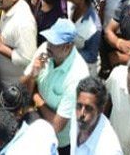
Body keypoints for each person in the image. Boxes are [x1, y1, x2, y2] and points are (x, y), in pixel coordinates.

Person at [23, 16, 91, 149]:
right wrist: (32, 75)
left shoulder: (77, 76)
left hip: (59, 143)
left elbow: (57, 125)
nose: (48, 45)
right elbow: (23, 91)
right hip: (36, 129)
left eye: (54, 42)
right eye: (49, 39)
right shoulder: (45, 52)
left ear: (67, 47)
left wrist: (37, 98)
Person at [72, 74, 122, 155]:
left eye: (88, 108)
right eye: (79, 106)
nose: (81, 113)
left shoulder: (109, 150)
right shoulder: (76, 119)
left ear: (100, 110)